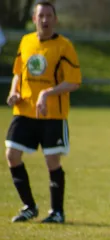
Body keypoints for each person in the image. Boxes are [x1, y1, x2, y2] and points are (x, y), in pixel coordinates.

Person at [5, 1, 81, 224]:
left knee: (52, 161)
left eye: (49, 16)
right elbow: (18, 73)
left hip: (52, 114)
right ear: (34, 19)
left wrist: (48, 93)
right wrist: (13, 93)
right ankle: (29, 206)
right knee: (11, 155)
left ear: (55, 19)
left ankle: (57, 212)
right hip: (25, 111)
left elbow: (74, 82)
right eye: (41, 16)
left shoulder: (64, 46)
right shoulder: (26, 41)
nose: (45, 20)